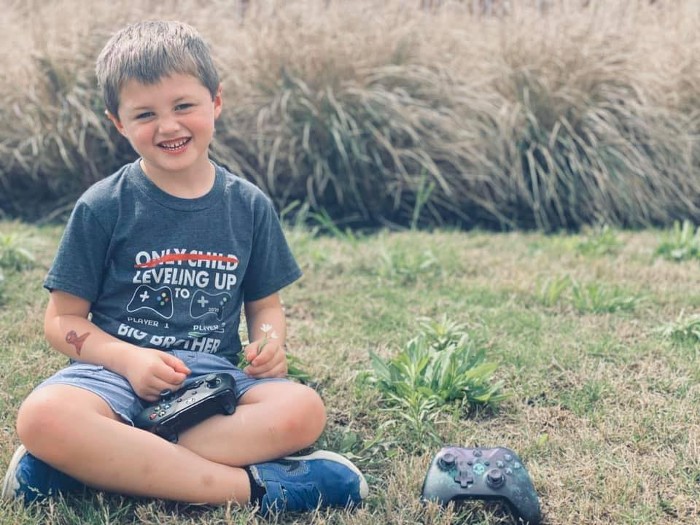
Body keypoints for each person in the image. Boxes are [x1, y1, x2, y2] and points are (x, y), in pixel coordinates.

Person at [1, 20, 367, 516]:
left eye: (183, 106)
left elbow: (266, 306)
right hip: (111, 381)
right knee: (43, 417)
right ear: (118, 123)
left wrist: (268, 344)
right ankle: (255, 489)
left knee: (303, 410)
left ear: (215, 102)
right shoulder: (103, 206)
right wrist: (129, 360)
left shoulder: (249, 206)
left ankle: (88, 463)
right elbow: (62, 321)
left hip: (211, 386)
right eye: (145, 113)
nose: (168, 126)